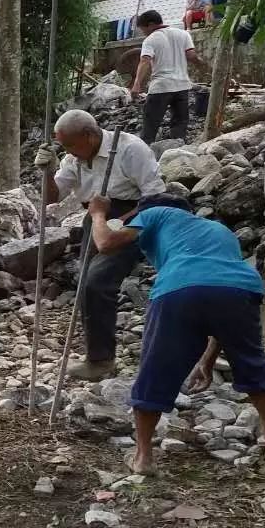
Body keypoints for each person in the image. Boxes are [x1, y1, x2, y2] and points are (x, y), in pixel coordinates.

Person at [88, 195, 265, 474]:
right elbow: (216, 303)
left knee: (156, 370)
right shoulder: (219, 230)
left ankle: (143, 458)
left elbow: (106, 244)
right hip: (240, 289)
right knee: (252, 361)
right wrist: (207, 361)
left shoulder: (154, 214)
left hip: (179, 287)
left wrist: (98, 214)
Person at [36, 109, 166, 381]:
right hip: (95, 216)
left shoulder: (130, 149)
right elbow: (51, 197)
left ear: (90, 136)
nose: (67, 151)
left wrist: (121, 221)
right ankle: (97, 353)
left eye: (70, 144)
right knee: (85, 282)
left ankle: (101, 360)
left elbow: (155, 197)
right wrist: (47, 172)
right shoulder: (74, 158)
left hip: (133, 215)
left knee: (96, 281)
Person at [130, 9, 206, 144]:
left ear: (151, 24)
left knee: (150, 125)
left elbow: (145, 61)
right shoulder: (183, 34)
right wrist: (205, 67)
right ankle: (177, 151)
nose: (143, 32)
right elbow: (192, 56)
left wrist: (136, 84)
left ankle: (146, 151)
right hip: (182, 86)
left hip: (161, 87)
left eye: (143, 29)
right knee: (179, 124)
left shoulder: (150, 40)